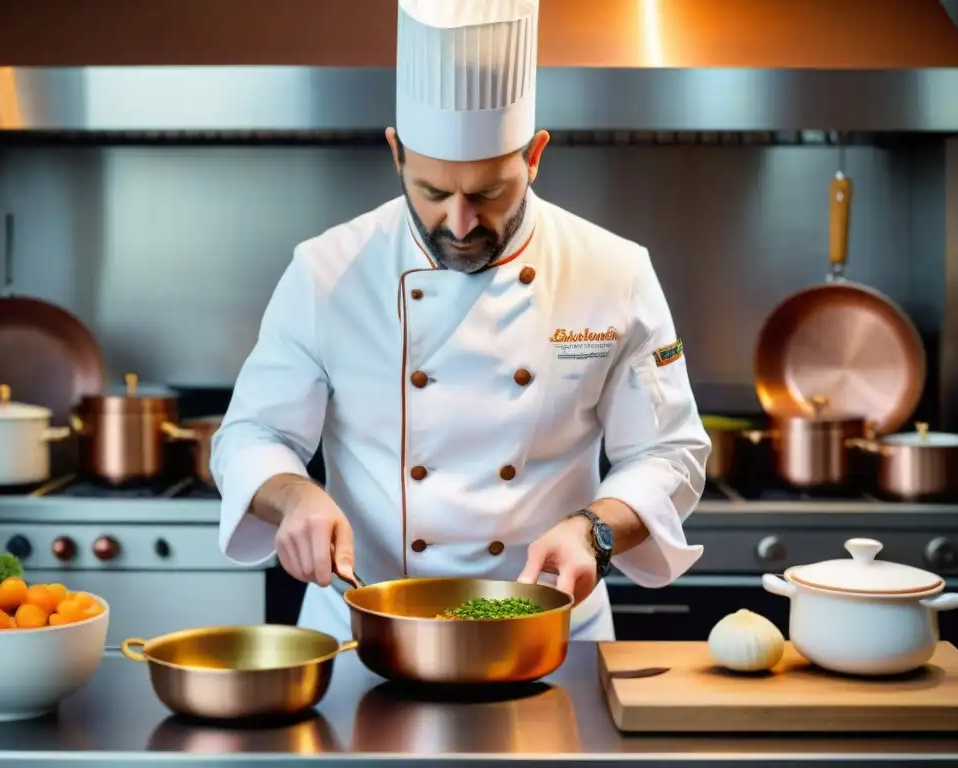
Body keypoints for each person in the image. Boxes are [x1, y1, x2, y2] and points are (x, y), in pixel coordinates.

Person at [212, 0, 711, 642]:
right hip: (366, 627)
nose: (460, 223)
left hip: (551, 631)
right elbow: (249, 434)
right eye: (432, 192)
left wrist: (596, 530)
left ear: (534, 156)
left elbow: (670, 450)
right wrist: (293, 494)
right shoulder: (325, 272)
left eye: (487, 193)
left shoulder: (613, 271)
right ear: (396, 154)